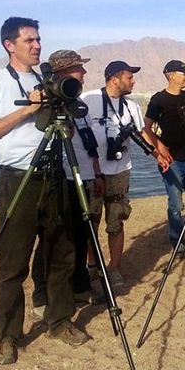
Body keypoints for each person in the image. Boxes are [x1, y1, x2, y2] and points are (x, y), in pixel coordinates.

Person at [0, 17, 88, 366]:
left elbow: (70, 127)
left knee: (61, 253)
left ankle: (60, 320)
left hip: (56, 174)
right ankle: (7, 334)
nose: (37, 45)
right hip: (18, 178)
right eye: (29, 40)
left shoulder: (47, 81)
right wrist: (28, 109)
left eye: (38, 39)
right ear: (10, 44)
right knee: (13, 261)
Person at [30, 50, 104, 319]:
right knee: (52, 238)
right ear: (61, 73)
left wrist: (97, 174)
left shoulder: (77, 102)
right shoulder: (52, 102)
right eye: (77, 69)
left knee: (81, 235)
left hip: (83, 177)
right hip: (61, 178)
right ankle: (41, 293)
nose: (83, 73)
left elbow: (88, 141)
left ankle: (79, 285)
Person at [80, 60, 147, 288]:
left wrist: (160, 153)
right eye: (129, 77)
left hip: (120, 171)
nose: (133, 81)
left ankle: (114, 268)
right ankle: (92, 266)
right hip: (92, 172)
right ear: (114, 78)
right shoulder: (89, 100)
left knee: (116, 220)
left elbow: (142, 133)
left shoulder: (132, 107)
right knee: (91, 220)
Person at [143, 60, 185, 254]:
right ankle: (177, 240)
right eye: (184, 73)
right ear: (171, 75)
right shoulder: (158, 99)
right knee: (175, 204)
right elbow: (146, 128)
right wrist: (159, 146)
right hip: (171, 160)